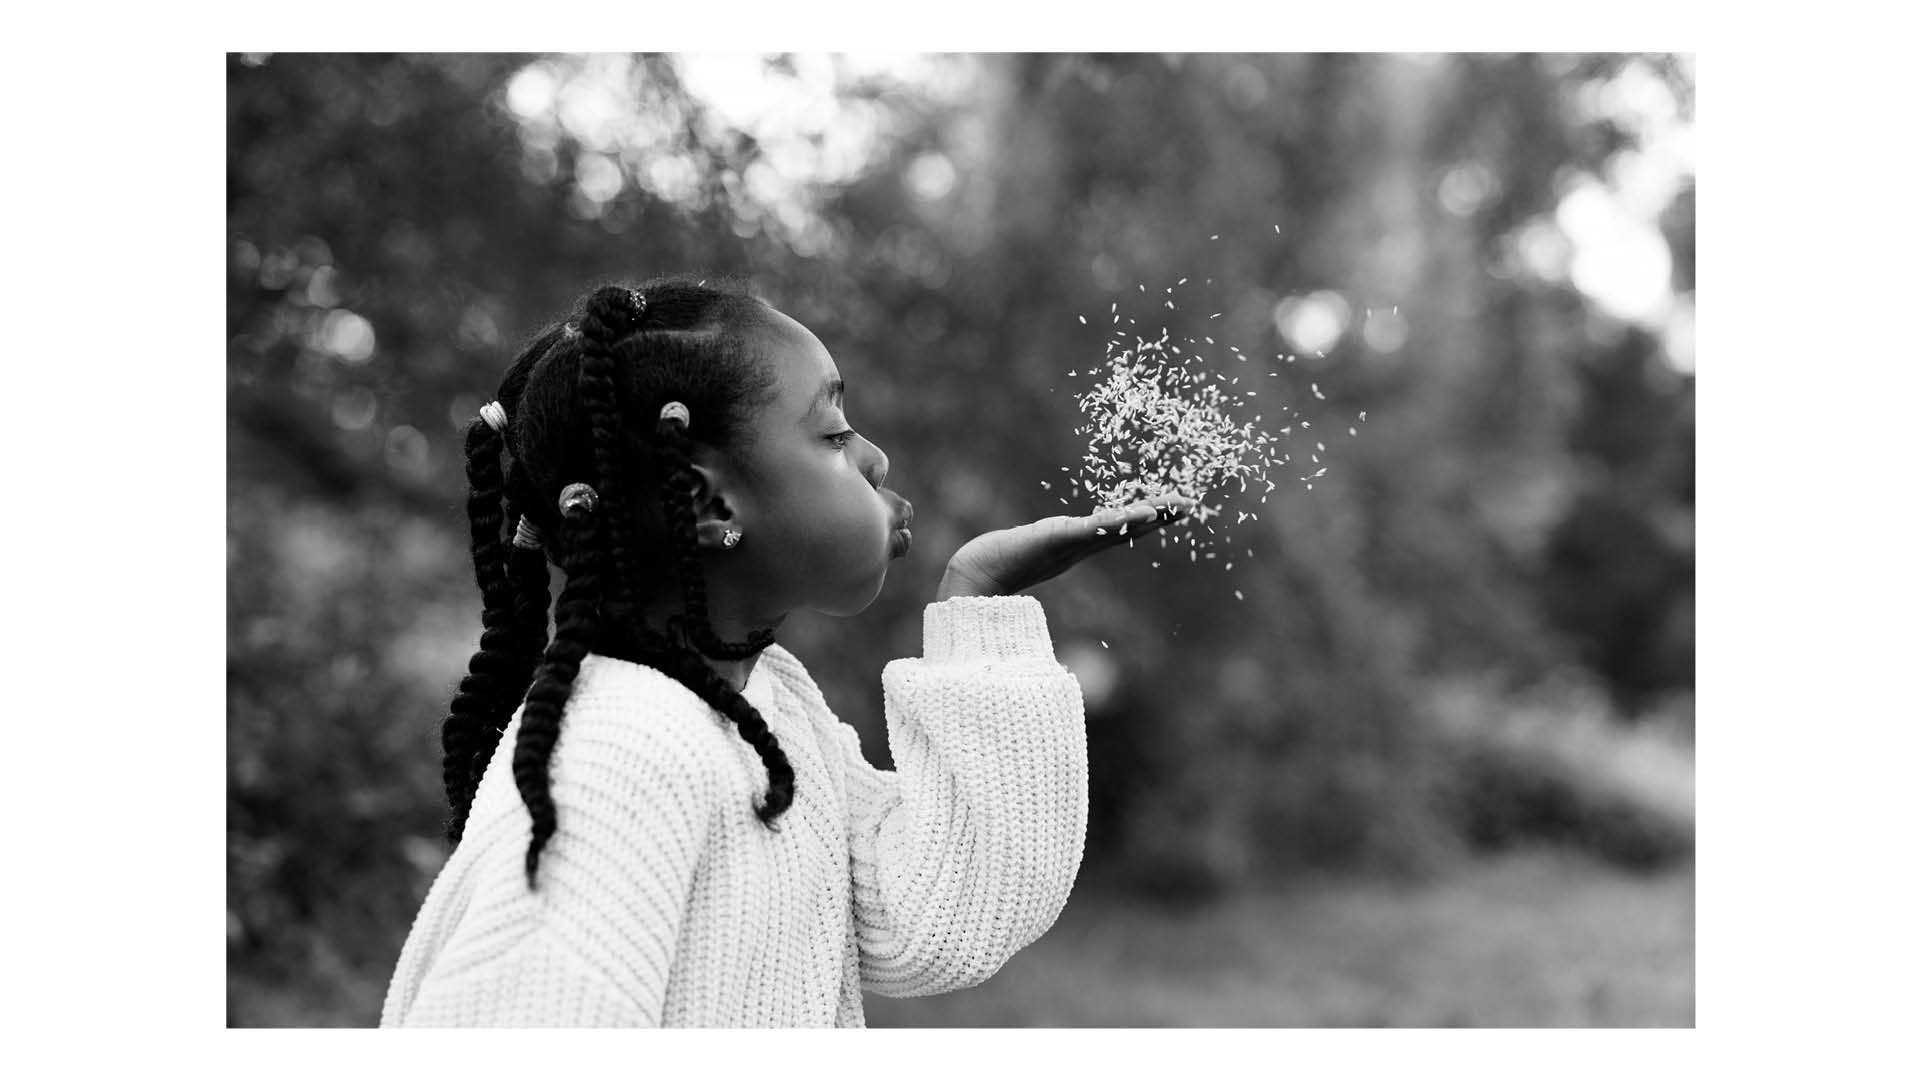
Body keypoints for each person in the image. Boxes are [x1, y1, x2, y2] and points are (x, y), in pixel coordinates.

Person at [380, 278, 1191, 1027]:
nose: (874, 458)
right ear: (707, 500)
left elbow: (932, 918)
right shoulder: (619, 762)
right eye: (833, 433)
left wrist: (977, 605)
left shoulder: (768, 706)